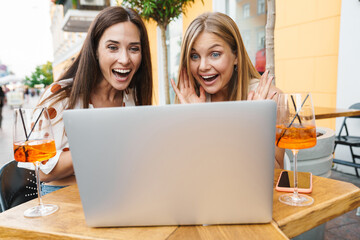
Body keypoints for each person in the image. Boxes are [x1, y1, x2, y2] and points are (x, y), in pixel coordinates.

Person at [19, 6, 153, 194]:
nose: (124, 59)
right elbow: (37, 170)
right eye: (112, 47)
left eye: (134, 49)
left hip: (117, 192)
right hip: (64, 199)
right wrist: (98, 144)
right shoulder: (61, 96)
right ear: (95, 50)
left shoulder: (132, 96)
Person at [170, 12, 284, 168]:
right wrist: (196, 119)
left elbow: (276, 173)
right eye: (194, 56)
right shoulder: (191, 97)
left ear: (236, 55)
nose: (203, 66)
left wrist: (253, 126)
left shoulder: (270, 98)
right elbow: (182, 168)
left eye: (215, 54)